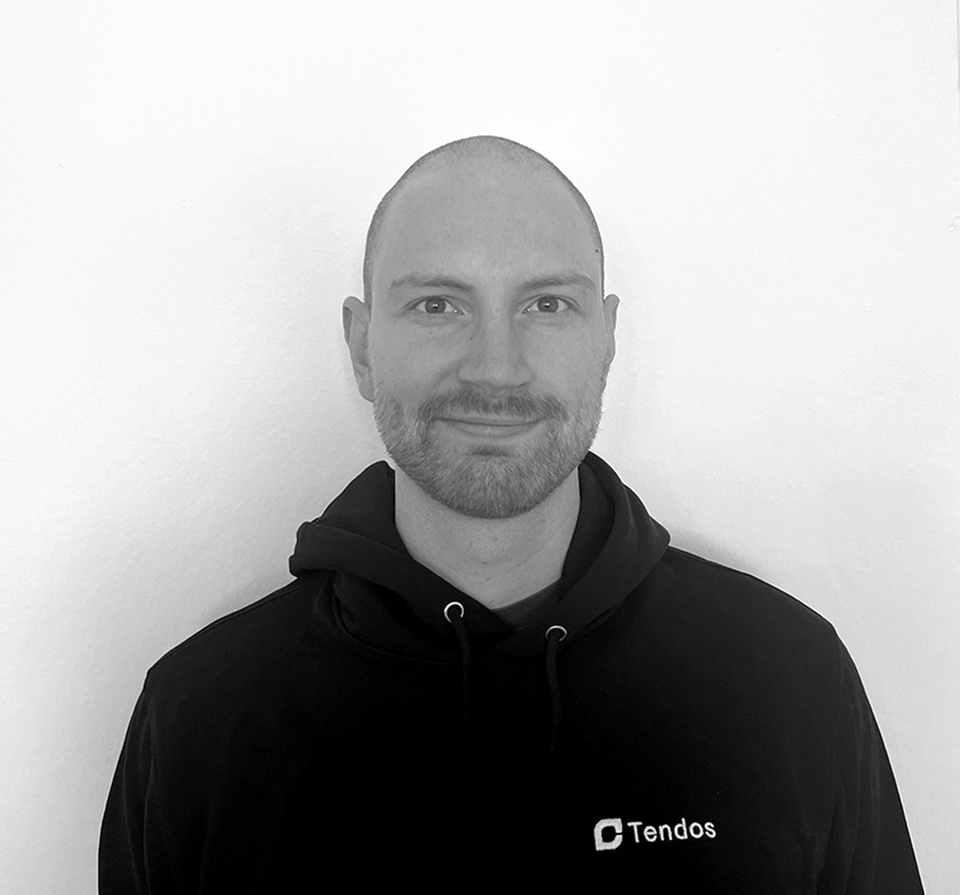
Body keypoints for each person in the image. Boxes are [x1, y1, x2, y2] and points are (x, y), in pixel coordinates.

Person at [99, 136, 924, 890]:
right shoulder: (199, 718)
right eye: (438, 305)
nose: (496, 368)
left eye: (546, 305)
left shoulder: (790, 682)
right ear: (361, 346)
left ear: (606, 341)